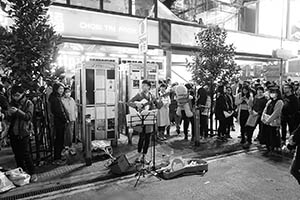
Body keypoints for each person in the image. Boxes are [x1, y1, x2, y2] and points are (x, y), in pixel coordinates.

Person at [6, 84, 37, 182]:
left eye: (17, 95)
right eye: (14, 95)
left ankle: (32, 173)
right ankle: (21, 174)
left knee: (26, 154)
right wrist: (9, 114)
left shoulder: (28, 103)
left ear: (22, 94)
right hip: (13, 132)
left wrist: (18, 111)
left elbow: (28, 116)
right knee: (17, 155)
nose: (15, 97)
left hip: (24, 131)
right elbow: (9, 118)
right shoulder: (12, 103)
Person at [128, 80, 159, 163]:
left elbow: (158, 105)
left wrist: (159, 103)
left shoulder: (152, 96)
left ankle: (144, 156)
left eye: (145, 85)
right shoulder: (139, 95)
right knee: (141, 137)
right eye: (142, 86)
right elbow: (129, 103)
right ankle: (138, 155)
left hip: (149, 119)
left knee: (148, 138)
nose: (143, 87)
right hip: (141, 119)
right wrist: (136, 104)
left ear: (149, 87)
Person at [49, 82, 69, 165]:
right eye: (60, 89)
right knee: (59, 139)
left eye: (62, 89)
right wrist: (65, 119)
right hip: (59, 122)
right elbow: (60, 111)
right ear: (56, 89)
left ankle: (58, 156)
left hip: (57, 121)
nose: (62, 90)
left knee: (59, 139)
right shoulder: (56, 99)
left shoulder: (54, 97)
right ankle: (57, 158)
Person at [261, 86, 284, 154]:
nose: (272, 94)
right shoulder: (270, 101)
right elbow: (265, 110)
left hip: (274, 122)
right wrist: (263, 118)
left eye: (274, 92)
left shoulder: (279, 102)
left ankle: (274, 147)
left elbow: (276, 113)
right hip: (267, 121)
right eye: (271, 92)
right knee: (267, 135)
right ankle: (268, 146)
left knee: (273, 135)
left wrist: (269, 120)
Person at [61, 87, 77, 156]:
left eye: (69, 92)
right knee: (66, 133)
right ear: (64, 93)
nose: (68, 93)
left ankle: (69, 146)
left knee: (71, 133)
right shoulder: (62, 100)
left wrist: (76, 115)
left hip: (72, 119)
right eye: (67, 92)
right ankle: (66, 146)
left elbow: (75, 108)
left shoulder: (72, 99)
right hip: (66, 119)